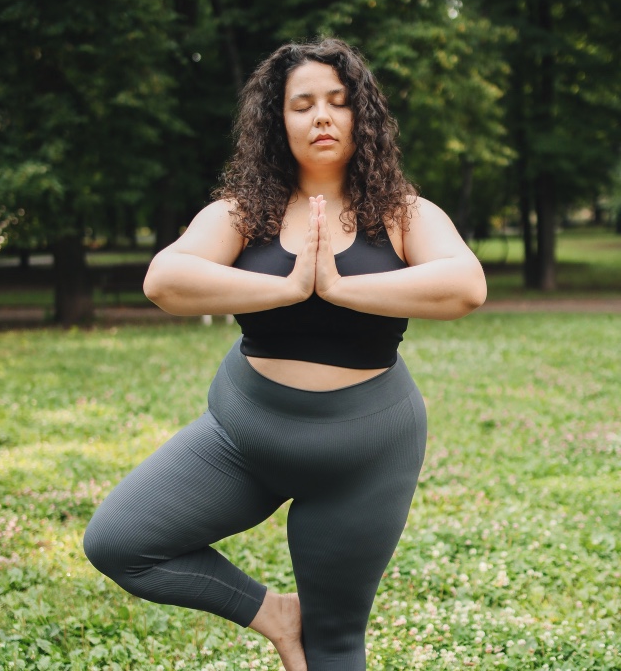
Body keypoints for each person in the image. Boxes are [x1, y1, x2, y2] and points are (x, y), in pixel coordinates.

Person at [83, 38, 486, 671]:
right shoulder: (244, 211)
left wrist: (340, 287)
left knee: (333, 647)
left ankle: (312, 629)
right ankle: (278, 615)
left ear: (362, 117)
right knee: (120, 541)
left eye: (338, 101)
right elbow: (164, 281)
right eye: (302, 104)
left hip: (364, 454)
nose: (322, 116)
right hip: (247, 435)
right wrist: (289, 287)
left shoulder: (403, 211)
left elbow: (466, 286)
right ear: (279, 121)